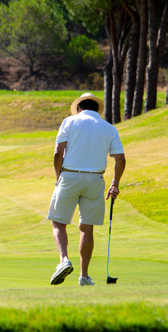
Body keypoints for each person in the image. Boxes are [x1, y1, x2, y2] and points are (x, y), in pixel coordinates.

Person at [47, 93, 126, 286]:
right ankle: (84, 276)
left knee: (58, 222)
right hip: (95, 179)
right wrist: (115, 184)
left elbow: (58, 152)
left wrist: (59, 176)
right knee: (86, 227)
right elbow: (120, 159)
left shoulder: (69, 121)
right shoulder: (109, 128)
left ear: (79, 108)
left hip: (70, 176)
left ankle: (64, 260)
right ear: (96, 110)